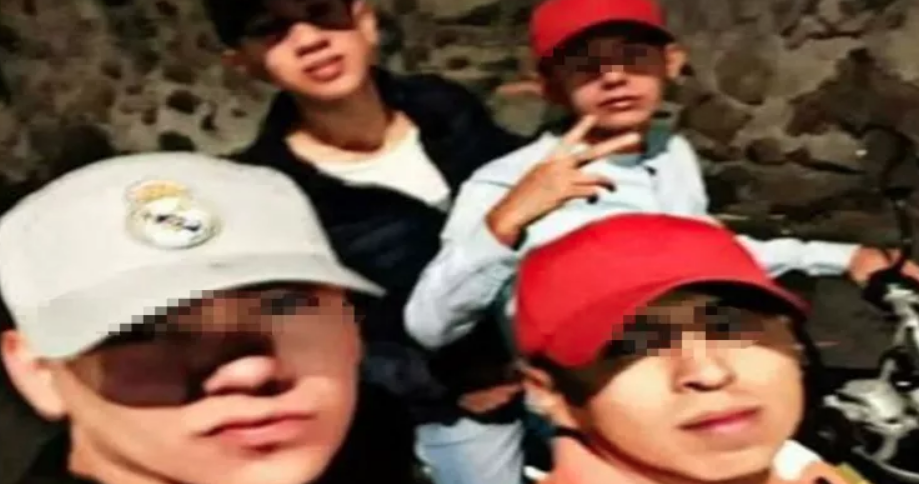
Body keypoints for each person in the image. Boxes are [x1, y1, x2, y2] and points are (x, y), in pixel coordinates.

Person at [198, 1, 585, 483]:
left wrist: (569, 114)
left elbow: (524, 187)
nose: (309, 39)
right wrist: (439, 385)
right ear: (243, 61)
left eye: (323, 11)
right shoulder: (272, 193)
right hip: (461, 408)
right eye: (270, 28)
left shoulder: (442, 105)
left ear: (364, 19)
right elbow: (313, 332)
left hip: (560, 360)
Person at [404, 0, 919, 352]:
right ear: (553, 87)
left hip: (697, 363)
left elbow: (702, 245)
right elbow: (429, 325)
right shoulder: (506, 183)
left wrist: (842, 257)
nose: (614, 77)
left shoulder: (669, 150)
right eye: (587, 66)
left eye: (633, 57)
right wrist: (505, 222)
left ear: (670, 62)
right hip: (588, 403)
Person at [0, 153, 417, 484]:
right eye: (144, 328)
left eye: (285, 304)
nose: (248, 370)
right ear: (38, 372)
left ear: (353, 324)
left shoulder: (380, 451)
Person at [514, 213, 861, 484]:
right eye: (633, 345)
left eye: (730, 326)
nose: (709, 373)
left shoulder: (800, 467)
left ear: (791, 340)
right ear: (551, 395)